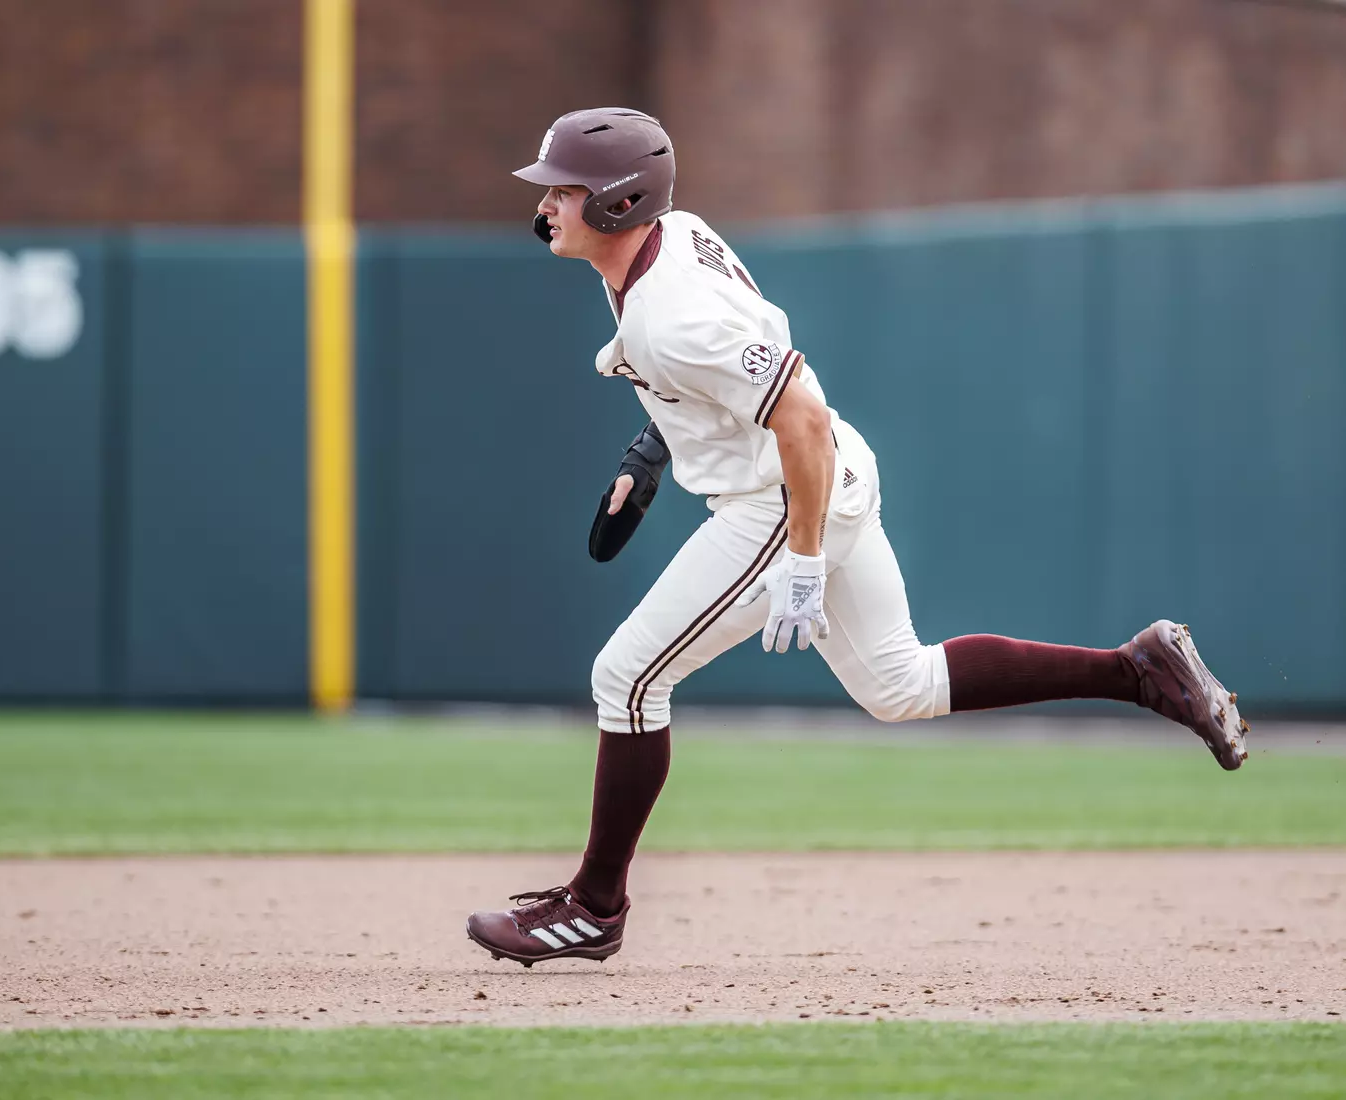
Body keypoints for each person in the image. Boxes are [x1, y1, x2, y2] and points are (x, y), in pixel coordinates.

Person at [465, 108, 1249, 968]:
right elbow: (750, 365)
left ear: (617, 203)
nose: (544, 208)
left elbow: (792, 414)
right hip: (822, 469)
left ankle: (593, 906)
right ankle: (1138, 670)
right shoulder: (669, 239)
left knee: (626, 677)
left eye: (563, 192)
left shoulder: (671, 313)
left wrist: (801, 560)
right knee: (898, 684)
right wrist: (649, 453)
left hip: (784, 495)